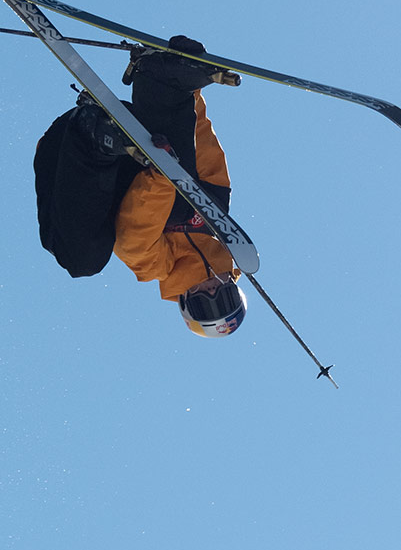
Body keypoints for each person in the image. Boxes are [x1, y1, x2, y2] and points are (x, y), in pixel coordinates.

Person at [32, 38, 248, 339]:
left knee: (83, 261)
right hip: (132, 130)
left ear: (186, 302)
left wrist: (165, 175)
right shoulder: (216, 213)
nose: (212, 293)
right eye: (225, 300)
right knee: (192, 194)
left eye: (204, 305)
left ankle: (98, 136)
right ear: (235, 289)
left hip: (75, 152)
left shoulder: (155, 265)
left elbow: (137, 228)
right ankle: (162, 78)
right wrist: (192, 87)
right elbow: (202, 142)